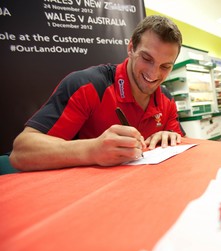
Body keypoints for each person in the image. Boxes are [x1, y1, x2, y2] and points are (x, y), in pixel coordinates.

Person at [10, 15, 185, 171]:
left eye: (165, 66)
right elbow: (22, 151)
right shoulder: (87, 85)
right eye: (147, 59)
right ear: (131, 48)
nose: (154, 74)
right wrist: (92, 150)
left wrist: (172, 137)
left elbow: (184, 143)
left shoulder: (166, 98)